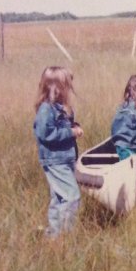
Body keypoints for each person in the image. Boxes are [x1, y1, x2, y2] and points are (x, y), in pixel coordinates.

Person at [33, 66, 83, 238]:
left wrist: (74, 126)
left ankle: (54, 236)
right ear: (55, 87)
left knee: (59, 197)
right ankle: (66, 237)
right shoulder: (46, 109)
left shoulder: (60, 107)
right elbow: (45, 134)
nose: (69, 90)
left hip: (65, 158)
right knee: (72, 196)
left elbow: (64, 126)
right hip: (55, 160)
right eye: (66, 86)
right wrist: (70, 132)